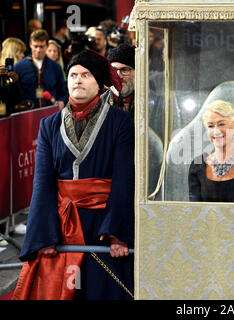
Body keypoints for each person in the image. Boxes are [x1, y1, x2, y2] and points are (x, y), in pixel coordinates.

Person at [12, 49, 134, 300]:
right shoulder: (49, 124)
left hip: (103, 226)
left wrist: (117, 234)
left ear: (100, 83)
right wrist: (44, 235)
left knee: (101, 291)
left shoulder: (120, 122)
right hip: (61, 226)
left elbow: (124, 180)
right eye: (73, 74)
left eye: (85, 74)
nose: (77, 79)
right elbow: (43, 182)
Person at [14, 30, 66, 109]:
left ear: (47, 46)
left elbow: (62, 92)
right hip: (28, 113)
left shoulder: (56, 67)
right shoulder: (19, 67)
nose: (38, 50)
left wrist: (61, 101)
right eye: (35, 46)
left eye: (41, 46)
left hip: (50, 112)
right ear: (30, 44)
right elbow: (15, 93)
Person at [107, 44, 135, 117]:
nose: (118, 76)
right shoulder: (98, 102)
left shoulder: (150, 101)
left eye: (125, 70)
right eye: (114, 70)